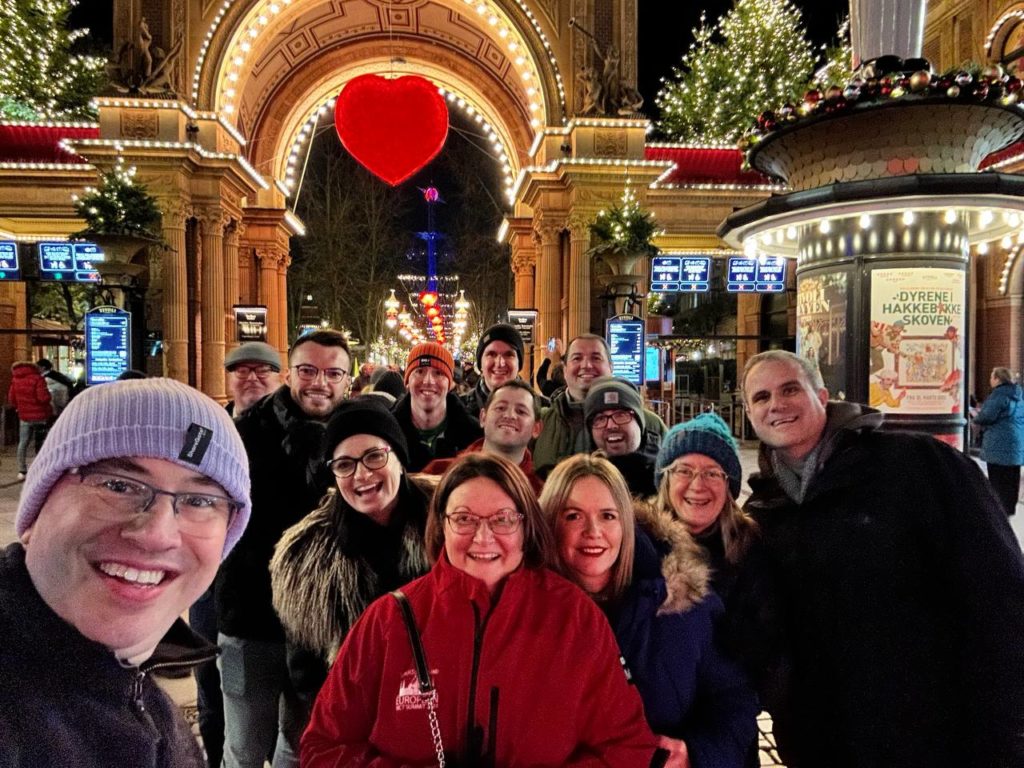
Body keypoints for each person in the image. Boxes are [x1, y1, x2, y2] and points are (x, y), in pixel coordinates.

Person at [733, 349, 1024, 767]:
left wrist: (1005, 730)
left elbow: (999, 593)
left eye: (789, 389)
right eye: (761, 397)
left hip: (936, 738)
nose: (776, 404)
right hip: (821, 743)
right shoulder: (767, 513)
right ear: (749, 412)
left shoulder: (917, 465)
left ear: (822, 394)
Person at [302, 453, 674, 767]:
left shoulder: (575, 618)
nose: (483, 537)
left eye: (502, 519)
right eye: (464, 518)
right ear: (441, 526)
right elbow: (324, 746)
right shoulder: (389, 621)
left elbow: (627, 748)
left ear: (526, 527)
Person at [0, 377, 251, 767]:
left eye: (200, 500)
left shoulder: (140, 692)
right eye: (119, 485)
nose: (156, 534)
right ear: (36, 507)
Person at [540, 454, 758, 768]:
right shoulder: (524, 610)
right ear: (549, 523)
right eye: (573, 516)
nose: (593, 530)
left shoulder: (681, 600)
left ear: (626, 524)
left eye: (608, 516)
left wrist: (694, 753)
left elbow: (733, 700)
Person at [217, 329, 351, 768]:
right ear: (289, 373)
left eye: (333, 373)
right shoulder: (242, 436)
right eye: (309, 370)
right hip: (249, 618)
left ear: (348, 380)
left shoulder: (355, 437)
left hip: (317, 626)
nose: (320, 382)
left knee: (302, 745)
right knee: (245, 747)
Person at [270, 397, 432, 702]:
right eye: (345, 464)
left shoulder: (453, 520)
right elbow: (308, 675)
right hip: (357, 722)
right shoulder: (306, 560)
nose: (361, 475)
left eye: (374, 457)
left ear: (399, 457)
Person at [653, 413, 758, 601]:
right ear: (666, 481)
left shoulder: (751, 548)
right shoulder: (638, 544)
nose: (698, 485)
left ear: (728, 485)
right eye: (684, 471)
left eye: (712, 473)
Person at [534, 335, 666, 477]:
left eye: (596, 358)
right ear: (565, 370)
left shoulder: (649, 423)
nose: (586, 365)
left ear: (610, 367)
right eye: (577, 358)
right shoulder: (541, 421)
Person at [422, 379, 545, 494]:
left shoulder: (541, 495)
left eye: (521, 411)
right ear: (483, 418)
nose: (509, 415)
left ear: (536, 428)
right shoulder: (437, 473)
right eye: (500, 408)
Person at [392, 342, 482, 471]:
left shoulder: (475, 437)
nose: (428, 381)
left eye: (438, 373)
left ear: (450, 384)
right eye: (420, 371)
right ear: (407, 381)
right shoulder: (386, 435)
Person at [584, 376, 657, 496]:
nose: (611, 425)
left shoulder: (667, 476)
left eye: (620, 415)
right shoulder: (579, 479)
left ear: (640, 422)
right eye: (600, 419)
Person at [973, 366, 1024, 515]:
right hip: (1016, 443)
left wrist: (976, 417)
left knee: (997, 479)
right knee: (1012, 478)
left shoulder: (998, 395)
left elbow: (987, 416)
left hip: (998, 444)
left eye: (991, 377)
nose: (990, 380)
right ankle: (1010, 508)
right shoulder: (1019, 395)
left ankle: (999, 511)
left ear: (997, 379)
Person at [460, 323, 525, 416]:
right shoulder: (456, 412)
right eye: (491, 354)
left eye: (509, 355)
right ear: (480, 364)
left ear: (519, 363)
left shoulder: (542, 412)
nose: (500, 363)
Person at [7, 361, 52, 480]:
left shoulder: (15, 380)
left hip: (24, 417)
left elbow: (11, 399)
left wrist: (20, 407)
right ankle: (40, 469)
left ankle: (22, 471)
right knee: (41, 443)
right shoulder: (38, 379)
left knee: (23, 443)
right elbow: (43, 398)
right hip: (40, 417)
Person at [224, 341, 283, 417]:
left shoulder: (295, 426)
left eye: (262, 371)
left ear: (279, 379)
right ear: (230, 380)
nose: (252, 378)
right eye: (242, 371)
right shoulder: (216, 424)